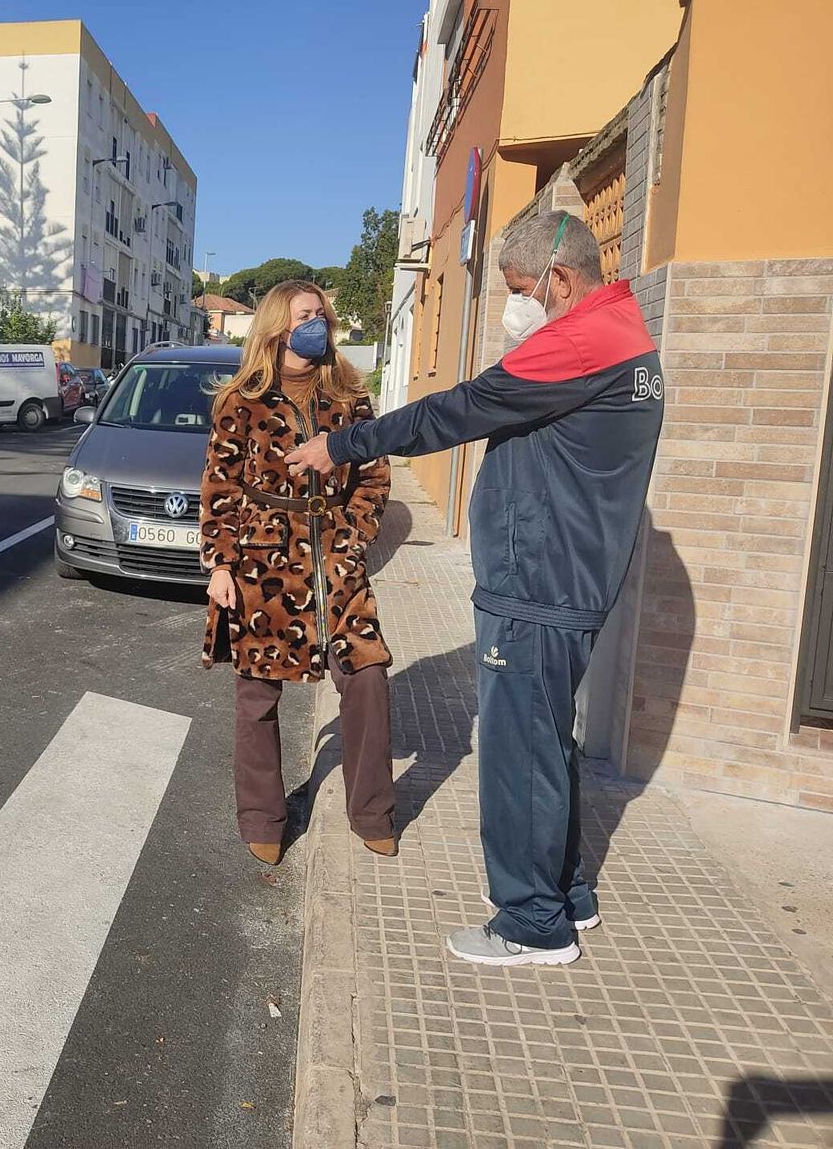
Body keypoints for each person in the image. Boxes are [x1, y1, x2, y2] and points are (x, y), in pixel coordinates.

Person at [283, 211, 665, 967]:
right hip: (567, 578)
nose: (518, 307)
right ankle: (565, 895)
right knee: (548, 740)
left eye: (522, 290)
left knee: (520, 749)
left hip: (537, 582)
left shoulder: (579, 340)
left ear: (560, 278)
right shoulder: (624, 330)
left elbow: (455, 410)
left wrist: (342, 445)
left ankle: (530, 924)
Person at [199, 280, 397, 866]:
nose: (320, 323)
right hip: (264, 559)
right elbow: (220, 487)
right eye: (307, 315)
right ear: (278, 327)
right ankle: (262, 817)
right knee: (257, 692)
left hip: (335, 557)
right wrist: (221, 563)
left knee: (368, 678)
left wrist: (356, 536)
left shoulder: (349, 397)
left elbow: (375, 475)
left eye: (323, 315)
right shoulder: (242, 400)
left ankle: (373, 812)